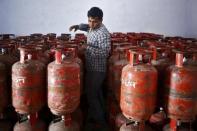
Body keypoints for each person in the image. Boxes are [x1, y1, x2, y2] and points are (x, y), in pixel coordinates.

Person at [69, 7, 111, 130]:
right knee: (97, 93)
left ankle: (101, 122)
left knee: (91, 94)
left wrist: (87, 48)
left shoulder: (103, 33)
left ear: (101, 20)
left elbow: (105, 52)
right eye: (90, 20)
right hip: (91, 67)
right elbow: (87, 27)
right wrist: (77, 26)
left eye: (95, 21)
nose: (91, 24)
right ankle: (101, 115)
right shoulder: (92, 27)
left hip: (98, 70)